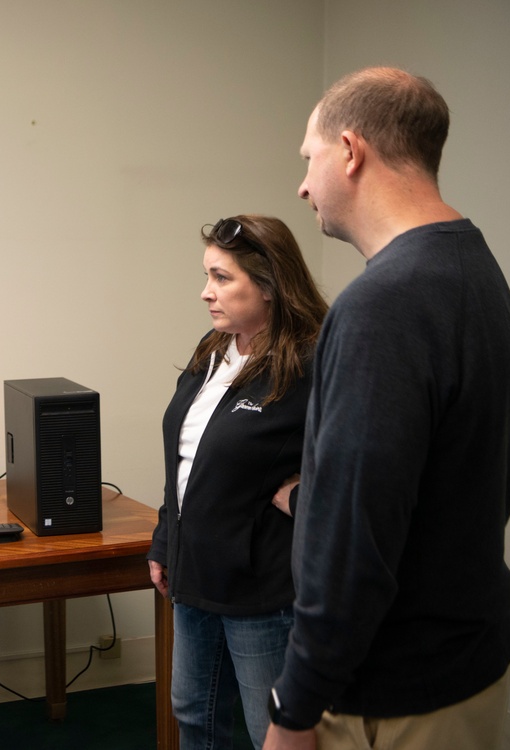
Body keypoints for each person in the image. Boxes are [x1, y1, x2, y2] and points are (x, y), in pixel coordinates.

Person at [263, 68, 510, 750]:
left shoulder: (382, 305)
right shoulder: (475, 266)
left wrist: (294, 709)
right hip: (467, 663)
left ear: (350, 152)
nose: (302, 185)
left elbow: (356, 541)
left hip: (392, 693)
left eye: (308, 158)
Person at [148, 214, 327, 749]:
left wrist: (297, 496)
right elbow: (183, 459)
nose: (207, 293)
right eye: (208, 276)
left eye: (223, 278)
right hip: (193, 575)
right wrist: (164, 539)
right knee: (193, 714)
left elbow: (359, 468)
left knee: (267, 726)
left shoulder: (311, 363)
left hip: (262, 590)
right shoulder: (214, 347)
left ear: (270, 286)